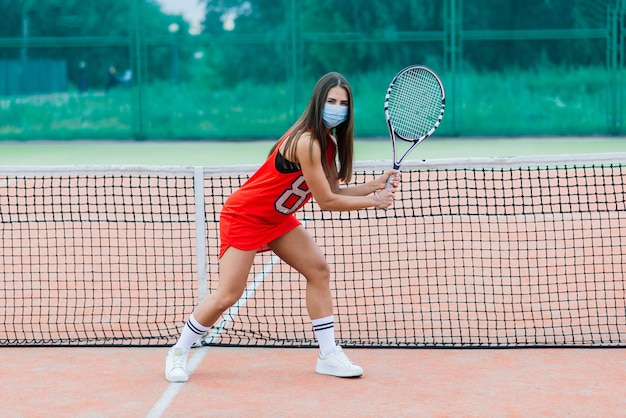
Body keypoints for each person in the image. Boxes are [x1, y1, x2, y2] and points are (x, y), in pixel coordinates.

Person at [165, 72, 400, 382]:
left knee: (318, 270)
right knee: (227, 295)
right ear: (318, 102)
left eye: (343, 103)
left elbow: (334, 191)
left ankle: (328, 355)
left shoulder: (327, 144)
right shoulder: (307, 142)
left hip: (277, 219)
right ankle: (178, 352)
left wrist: (374, 186)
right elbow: (326, 202)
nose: (337, 108)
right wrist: (374, 202)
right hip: (246, 217)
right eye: (331, 101)